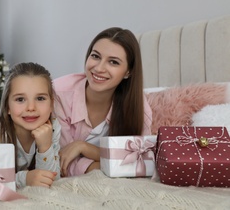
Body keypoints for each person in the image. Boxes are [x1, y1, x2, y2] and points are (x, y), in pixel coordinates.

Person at [54, 27, 229, 178]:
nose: (99, 68)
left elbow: (139, 157)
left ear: (128, 72)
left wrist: (83, 147)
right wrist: (99, 166)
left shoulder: (139, 109)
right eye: (95, 56)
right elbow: (61, 160)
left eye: (113, 62)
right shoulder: (59, 94)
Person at [0, 62, 61, 189]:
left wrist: (45, 147)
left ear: (51, 104)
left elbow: (52, 179)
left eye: (40, 98)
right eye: (20, 99)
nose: (31, 107)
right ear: (7, 106)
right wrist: (25, 179)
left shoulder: (53, 127)